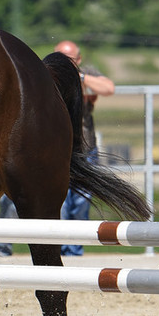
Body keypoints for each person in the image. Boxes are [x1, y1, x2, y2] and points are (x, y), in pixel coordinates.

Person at [55, 39, 115, 255]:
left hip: (84, 148)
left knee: (81, 203)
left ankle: (75, 250)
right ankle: (60, 249)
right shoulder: (49, 73)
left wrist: (79, 77)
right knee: (58, 203)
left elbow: (108, 88)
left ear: (78, 60)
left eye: (69, 59)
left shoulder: (86, 73)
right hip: (57, 149)